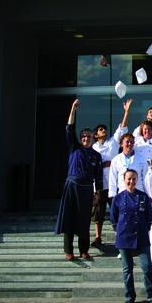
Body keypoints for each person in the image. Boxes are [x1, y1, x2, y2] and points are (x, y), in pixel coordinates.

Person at [55, 99, 103, 261]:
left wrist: (97, 193)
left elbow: (98, 177)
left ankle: (84, 250)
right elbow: (69, 129)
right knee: (69, 218)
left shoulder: (97, 156)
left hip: (87, 189)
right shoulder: (74, 148)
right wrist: (73, 110)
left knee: (84, 220)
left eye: (88, 137)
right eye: (83, 137)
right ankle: (69, 251)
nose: (86, 139)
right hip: (71, 186)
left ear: (93, 138)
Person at [110, 169, 152, 303]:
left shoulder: (143, 196)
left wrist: (144, 228)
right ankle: (129, 296)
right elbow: (113, 218)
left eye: (134, 178)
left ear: (137, 180)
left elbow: (149, 216)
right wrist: (119, 230)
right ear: (124, 180)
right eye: (129, 179)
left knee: (147, 267)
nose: (131, 181)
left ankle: (151, 295)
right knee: (127, 270)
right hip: (124, 237)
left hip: (141, 236)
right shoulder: (118, 198)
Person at [90, 98, 131, 247]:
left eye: (104, 129)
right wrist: (102, 164)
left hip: (114, 184)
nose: (104, 131)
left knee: (117, 211)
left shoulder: (113, 143)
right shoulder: (93, 147)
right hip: (99, 184)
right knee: (98, 211)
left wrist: (126, 112)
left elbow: (122, 128)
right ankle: (98, 237)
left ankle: (120, 236)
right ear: (96, 134)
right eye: (101, 130)